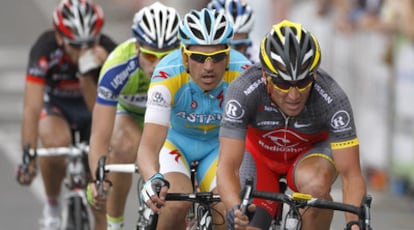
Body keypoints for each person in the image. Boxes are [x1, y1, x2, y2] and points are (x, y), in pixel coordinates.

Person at [217, 20, 367, 230]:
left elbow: (351, 174)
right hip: (260, 158)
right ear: (265, 76)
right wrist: (234, 208)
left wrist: (354, 223)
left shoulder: (333, 98)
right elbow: (227, 166)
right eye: (283, 84)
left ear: (314, 74)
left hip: (310, 158)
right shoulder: (244, 90)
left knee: (315, 190)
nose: (294, 95)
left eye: (303, 83)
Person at [136, 8, 251, 230]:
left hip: (220, 147)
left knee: (225, 207)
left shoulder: (243, 72)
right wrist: (152, 178)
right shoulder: (167, 74)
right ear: (184, 57)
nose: (208, 67)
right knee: (176, 203)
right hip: (177, 144)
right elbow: (148, 147)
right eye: (199, 58)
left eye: (217, 58)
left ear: (228, 56)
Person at [16, 0, 117, 229]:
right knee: (55, 143)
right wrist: (27, 155)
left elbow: (104, 115)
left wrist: (89, 74)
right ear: (60, 38)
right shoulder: (45, 49)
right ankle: (52, 205)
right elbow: (32, 107)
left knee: (101, 203)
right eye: (75, 45)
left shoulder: (109, 52)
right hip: (58, 109)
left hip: (94, 113)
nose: (83, 50)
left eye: (89, 43)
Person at [87, 2, 181, 230]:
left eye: (166, 56)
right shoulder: (117, 66)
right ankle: (115, 223)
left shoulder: (186, 63)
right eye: (150, 55)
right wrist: (99, 180)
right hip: (131, 117)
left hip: (170, 120)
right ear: (137, 47)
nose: (158, 65)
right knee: (121, 146)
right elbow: (100, 136)